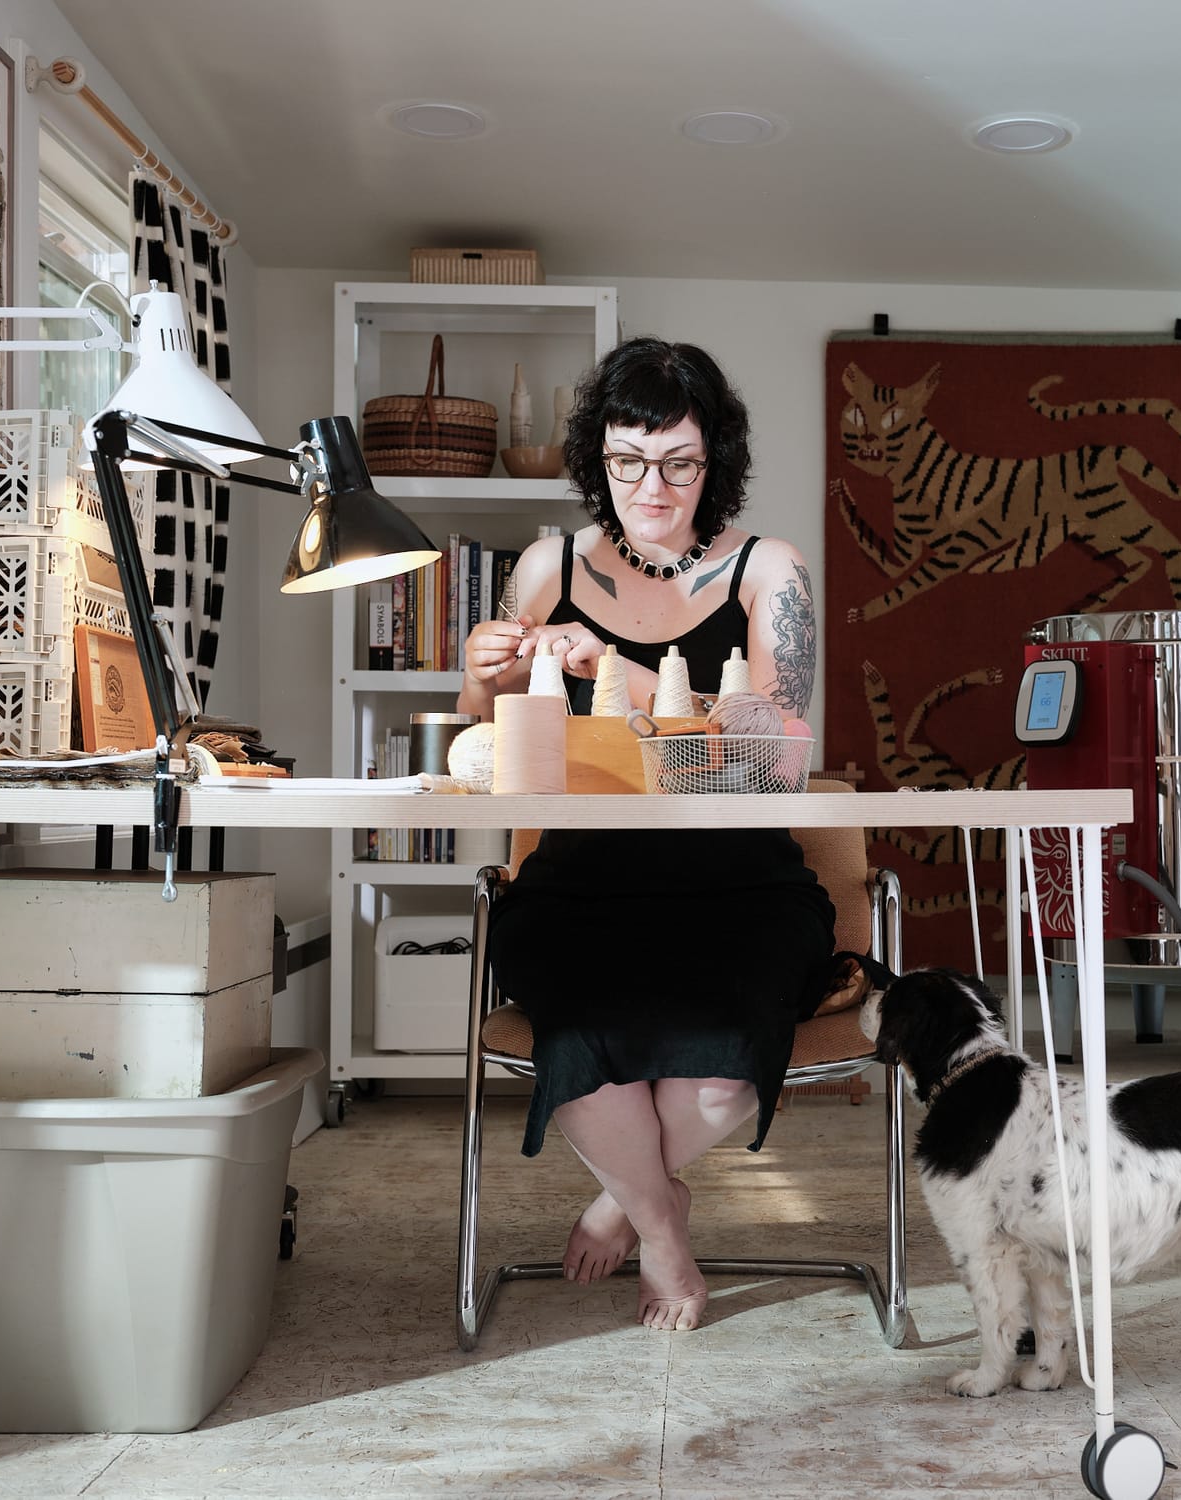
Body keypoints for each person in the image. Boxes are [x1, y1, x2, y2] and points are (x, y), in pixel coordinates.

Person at [458, 337, 829, 1332]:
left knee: (718, 1077)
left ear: (716, 461)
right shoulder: (546, 566)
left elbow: (783, 747)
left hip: (741, 884)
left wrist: (615, 660)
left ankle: (622, 1192)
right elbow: (477, 738)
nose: (652, 486)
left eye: (678, 463)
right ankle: (663, 1227)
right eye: (628, 462)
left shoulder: (768, 571)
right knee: (581, 1039)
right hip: (579, 884)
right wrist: (485, 670)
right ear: (597, 459)